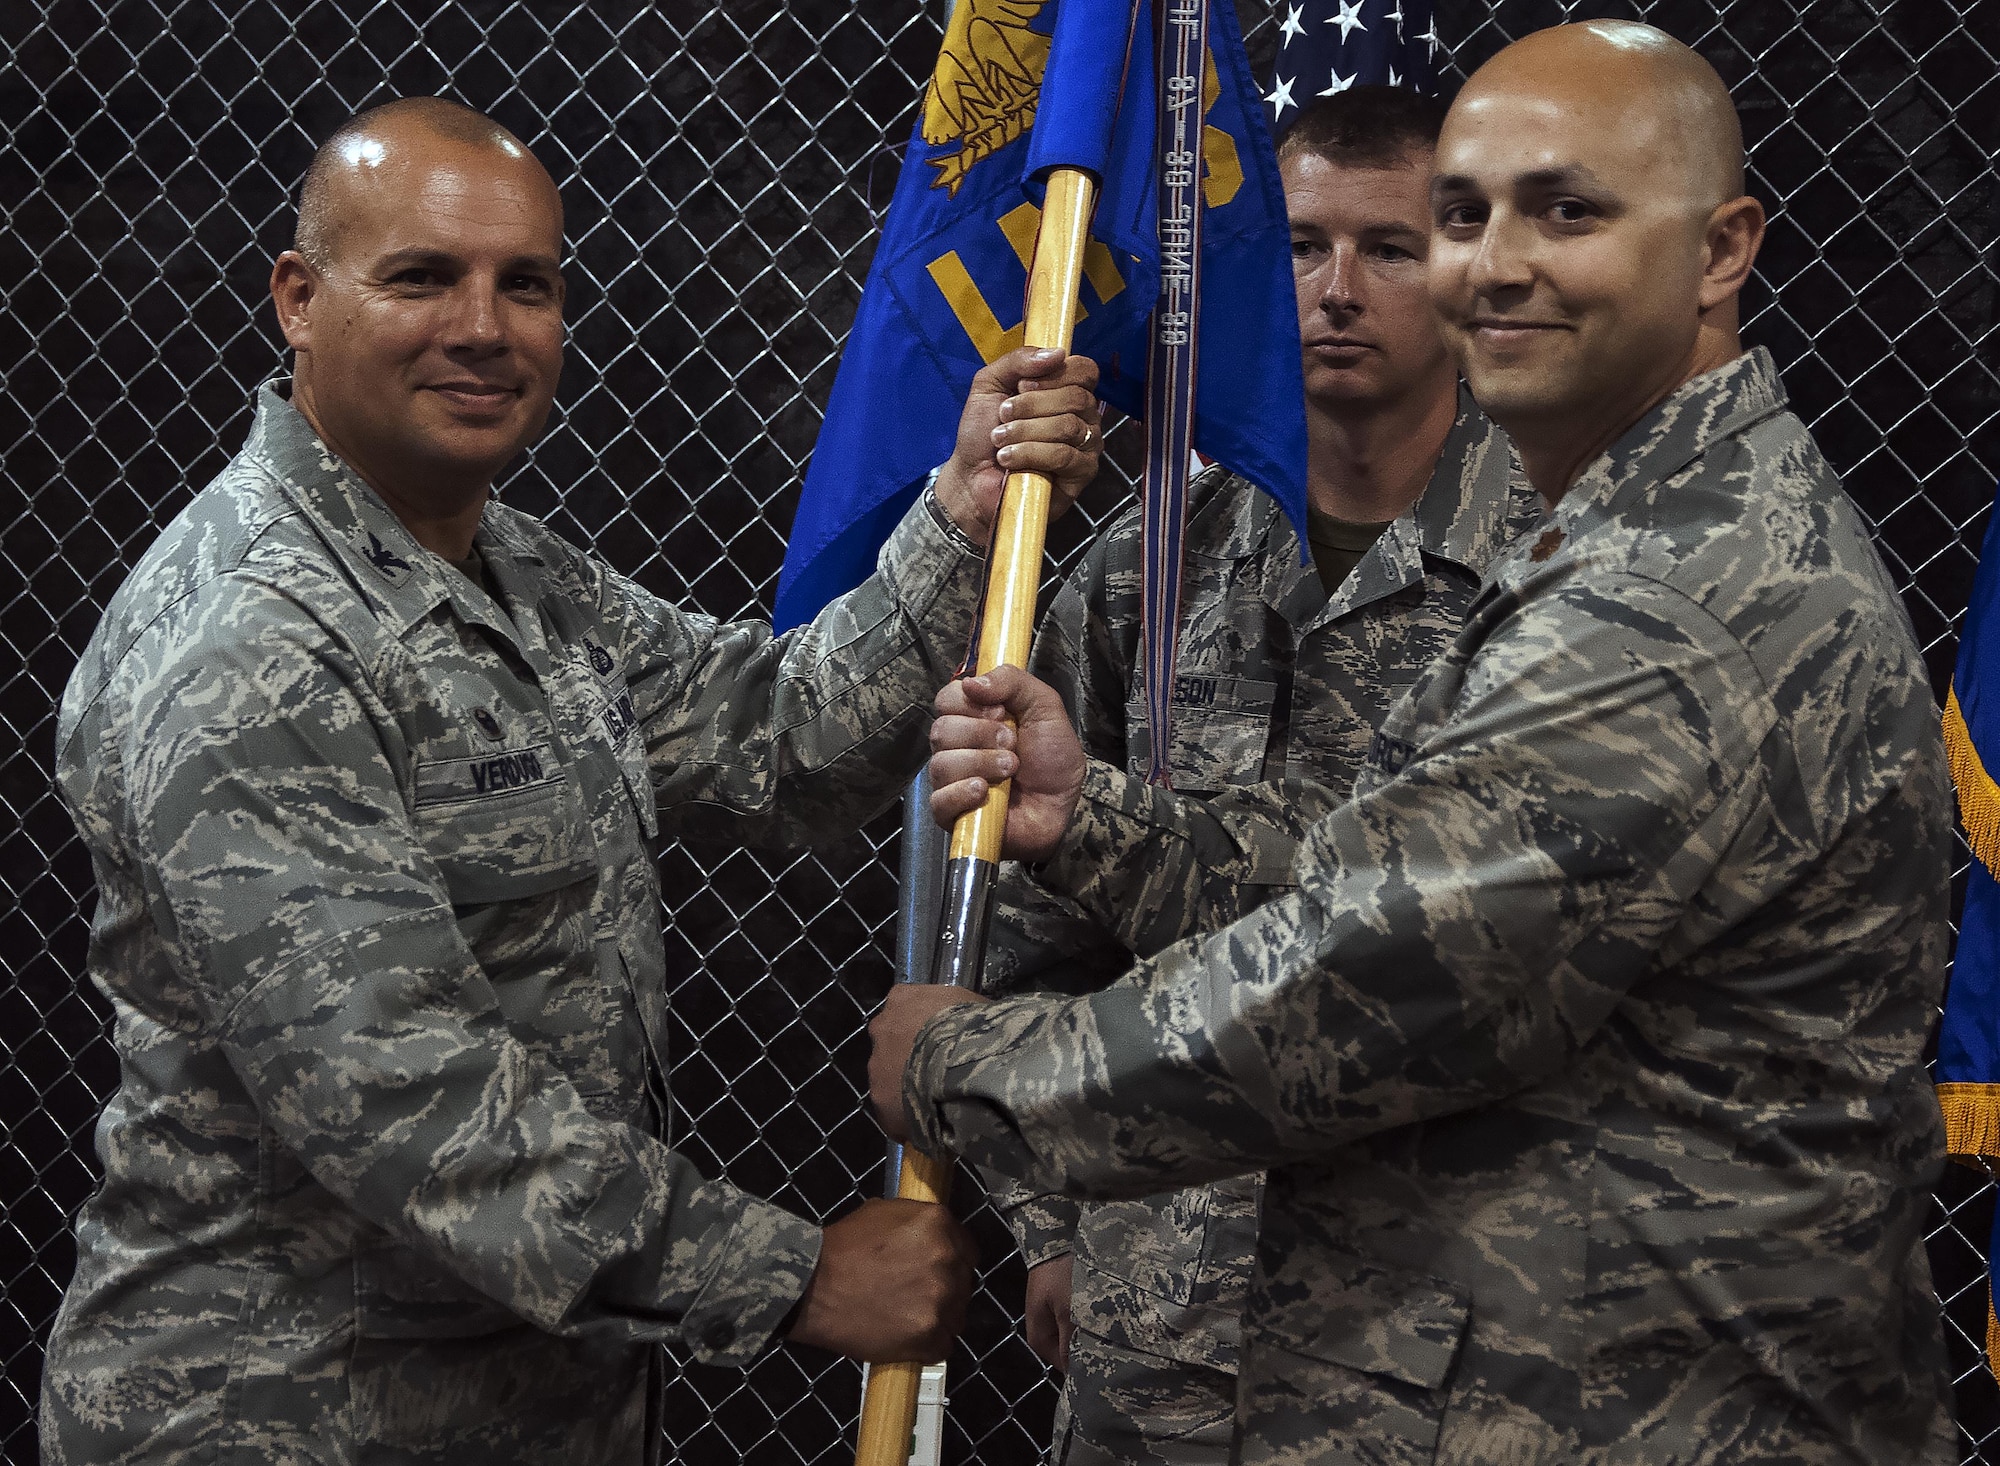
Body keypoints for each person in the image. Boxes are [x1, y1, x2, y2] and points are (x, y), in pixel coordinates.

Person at [875, 21, 1957, 1462]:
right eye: (1465, 215)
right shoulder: (1635, 524)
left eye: (1567, 211)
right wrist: (1104, 821)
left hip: (1654, 1406)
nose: (1493, 264)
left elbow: (1365, 979)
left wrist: (968, 1072)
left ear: (1720, 250)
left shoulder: (1670, 598)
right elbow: (1373, 876)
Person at [41, 97, 1105, 1466]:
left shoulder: (507, 570)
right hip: (282, 1416)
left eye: (524, 284)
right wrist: (797, 1274)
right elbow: (409, 1100)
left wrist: (961, 513)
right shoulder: (253, 642)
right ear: (299, 300)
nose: (484, 327)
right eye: (423, 276)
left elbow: (779, 737)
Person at [972, 87, 1537, 1464]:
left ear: (1462, 273)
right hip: (1155, 1308)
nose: (1336, 290)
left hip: (1437, 1333)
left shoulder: (1552, 571)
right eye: (1297, 245)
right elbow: (1026, 916)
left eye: (1389, 249)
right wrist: (1053, 1223)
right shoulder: (1149, 561)